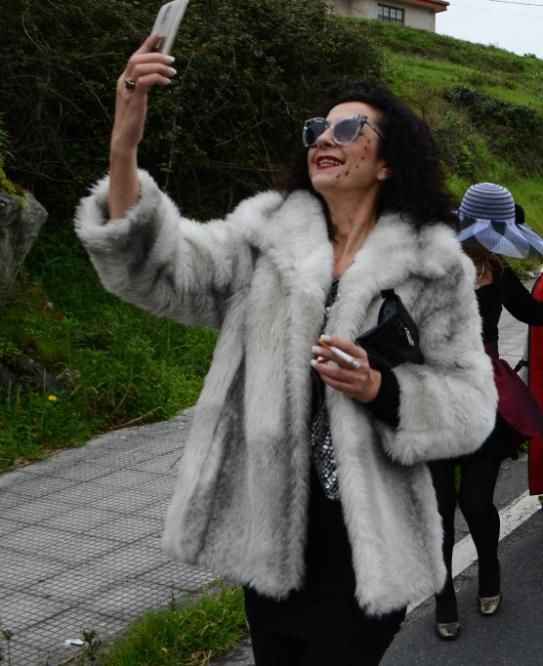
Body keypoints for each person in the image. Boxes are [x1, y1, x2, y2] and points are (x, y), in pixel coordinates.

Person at [74, 36, 497, 665]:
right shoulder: (264, 239)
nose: (324, 139)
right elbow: (157, 269)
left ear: (387, 162)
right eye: (317, 130)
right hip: (270, 543)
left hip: (367, 549)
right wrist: (124, 141)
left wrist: (386, 390)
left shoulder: (434, 268)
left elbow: (472, 402)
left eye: (349, 128)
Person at [429, 183, 543, 640]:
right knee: (437, 509)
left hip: (485, 392)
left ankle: (489, 568)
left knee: (475, 502)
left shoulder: (496, 269)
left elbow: (534, 312)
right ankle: (443, 594)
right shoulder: (427, 267)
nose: (493, 240)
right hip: (431, 395)